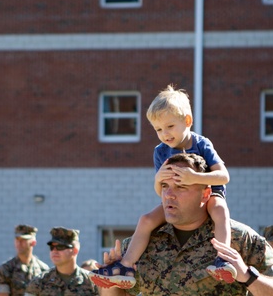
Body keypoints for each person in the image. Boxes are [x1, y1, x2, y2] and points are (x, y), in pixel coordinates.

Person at [92, 85, 234, 288]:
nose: (164, 134)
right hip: (175, 200)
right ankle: (125, 266)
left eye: (169, 127)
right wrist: (159, 179)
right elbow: (160, 192)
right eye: (158, 129)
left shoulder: (202, 143)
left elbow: (224, 176)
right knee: (146, 219)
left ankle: (224, 259)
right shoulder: (160, 152)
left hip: (208, 193)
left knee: (220, 210)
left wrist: (194, 177)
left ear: (187, 121)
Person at [97, 153, 273, 296]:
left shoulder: (238, 238)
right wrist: (109, 284)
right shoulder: (142, 242)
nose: (169, 194)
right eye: (165, 186)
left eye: (181, 186)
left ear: (205, 194)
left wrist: (246, 275)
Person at [24, 226, 98, 295]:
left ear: (75, 250)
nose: (54, 251)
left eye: (60, 247)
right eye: (52, 247)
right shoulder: (39, 282)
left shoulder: (92, 282)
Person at [0, 225, 49, 296]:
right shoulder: (6, 269)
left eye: (23, 240)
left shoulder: (43, 270)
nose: (19, 243)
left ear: (33, 243)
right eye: (17, 239)